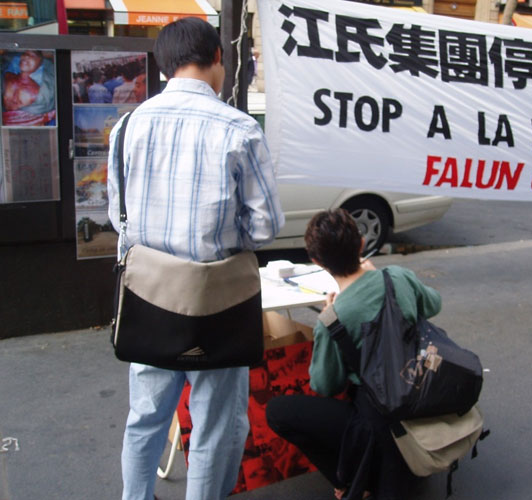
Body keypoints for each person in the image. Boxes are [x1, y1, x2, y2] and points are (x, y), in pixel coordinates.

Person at [106, 17, 284, 500]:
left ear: (164, 65)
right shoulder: (240, 129)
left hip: (148, 297)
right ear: (218, 58)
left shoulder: (128, 126)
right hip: (217, 300)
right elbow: (265, 226)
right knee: (215, 426)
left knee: (145, 417)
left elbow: (117, 215)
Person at [266, 209, 442, 500]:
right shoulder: (397, 277)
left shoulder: (334, 317)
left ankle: (349, 481)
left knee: (278, 411)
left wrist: (329, 320)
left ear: (317, 261)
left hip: (376, 419)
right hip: (420, 393)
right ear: (361, 244)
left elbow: (324, 385)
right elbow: (434, 304)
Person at [2, 50, 56, 126]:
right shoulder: (8, 76)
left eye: (33, 56)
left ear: (40, 64)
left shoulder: (39, 91)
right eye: (25, 54)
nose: (26, 56)